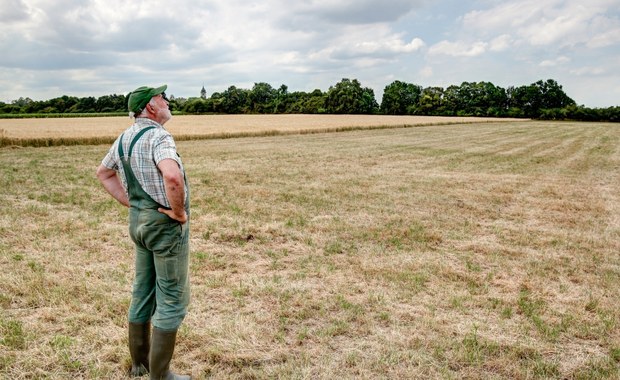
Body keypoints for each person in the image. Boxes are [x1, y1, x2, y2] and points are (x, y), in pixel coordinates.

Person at [96, 85, 191, 379]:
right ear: (151, 107)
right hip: (163, 226)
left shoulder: (124, 138)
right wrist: (177, 212)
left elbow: (104, 173)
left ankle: (139, 365)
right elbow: (172, 176)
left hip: (138, 223)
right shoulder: (159, 137)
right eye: (162, 98)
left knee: (142, 290)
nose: (167, 101)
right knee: (172, 297)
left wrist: (132, 203)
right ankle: (160, 375)